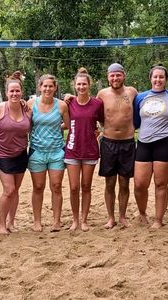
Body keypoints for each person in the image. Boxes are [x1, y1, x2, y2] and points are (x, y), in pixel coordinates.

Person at [133, 65, 168, 229]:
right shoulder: (140, 97)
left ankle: (158, 219)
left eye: (161, 77)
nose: (158, 80)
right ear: (150, 78)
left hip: (165, 143)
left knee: (160, 183)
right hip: (144, 142)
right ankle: (143, 213)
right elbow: (135, 121)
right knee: (139, 184)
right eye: (155, 77)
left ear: (166, 79)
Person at [0, 71, 31, 235]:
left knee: (16, 190)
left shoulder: (27, 109)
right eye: (11, 91)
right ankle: (2, 224)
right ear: (6, 93)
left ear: (21, 92)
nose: (14, 93)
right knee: (9, 190)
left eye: (17, 91)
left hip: (21, 154)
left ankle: (12, 222)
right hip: (2, 154)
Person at [96, 63, 138, 229]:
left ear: (124, 76)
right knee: (110, 182)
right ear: (108, 77)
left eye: (118, 75)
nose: (115, 78)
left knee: (124, 182)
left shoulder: (132, 92)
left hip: (127, 142)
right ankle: (110, 217)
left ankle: (122, 216)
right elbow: (93, 110)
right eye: (112, 75)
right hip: (108, 142)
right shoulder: (102, 94)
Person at [27, 74, 70, 232]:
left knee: (56, 186)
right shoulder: (31, 104)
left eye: (51, 86)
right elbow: (27, 125)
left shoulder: (62, 106)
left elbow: (68, 124)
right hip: (37, 151)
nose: (47, 89)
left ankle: (56, 221)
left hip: (56, 151)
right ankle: (37, 221)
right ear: (40, 87)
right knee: (38, 186)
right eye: (45, 86)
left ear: (55, 88)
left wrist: (55, 129)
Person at [64, 68, 104, 232]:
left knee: (86, 186)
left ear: (89, 85)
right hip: (72, 149)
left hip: (89, 150)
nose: (81, 87)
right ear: (74, 85)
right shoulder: (68, 103)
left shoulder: (97, 103)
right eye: (78, 84)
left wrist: (99, 131)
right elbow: (63, 121)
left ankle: (84, 219)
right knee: (74, 187)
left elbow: (103, 122)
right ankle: (75, 219)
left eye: (84, 84)